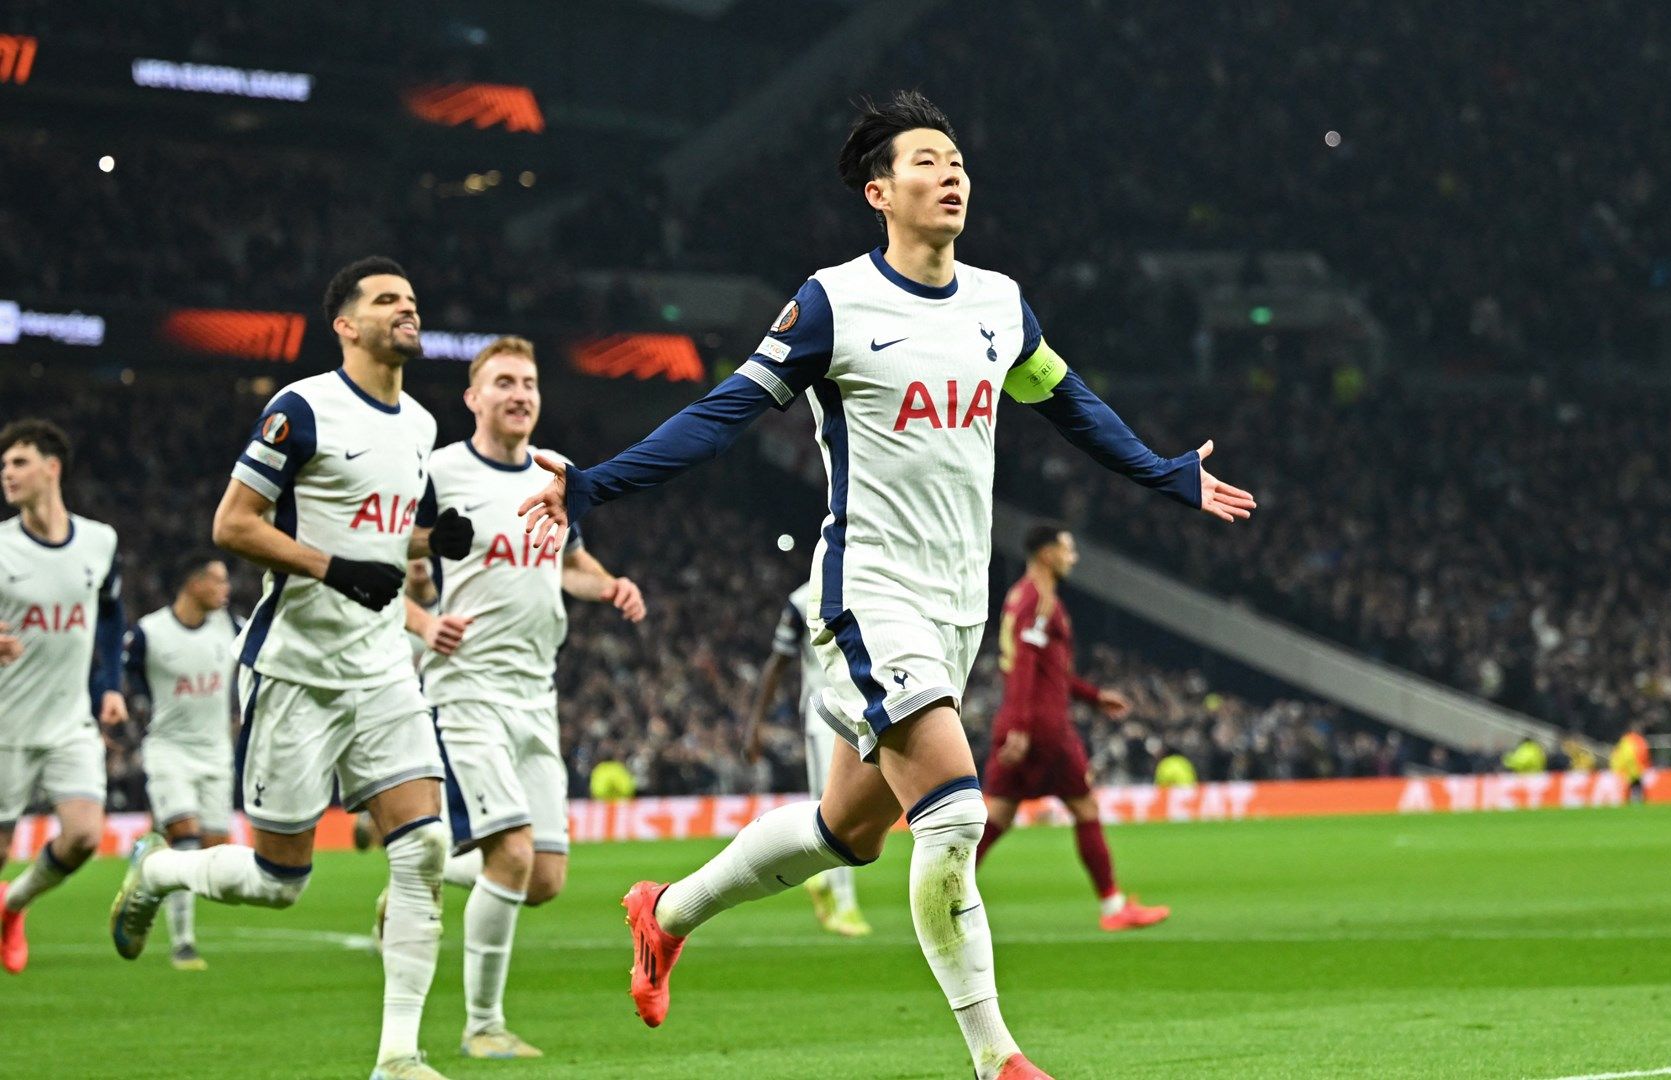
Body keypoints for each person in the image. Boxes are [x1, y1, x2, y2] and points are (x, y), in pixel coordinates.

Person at [516, 91, 1255, 1080]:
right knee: (951, 812)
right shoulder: (834, 303)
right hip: (871, 591)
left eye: (957, 159)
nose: (951, 173)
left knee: (846, 832)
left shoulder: (1000, 304)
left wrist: (1164, 472)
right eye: (926, 161)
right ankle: (997, 1059)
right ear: (880, 191)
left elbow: (1069, 403)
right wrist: (596, 486)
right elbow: (725, 411)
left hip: (956, 606)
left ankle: (666, 912)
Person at [109, 256, 475, 1080]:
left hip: (381, 668)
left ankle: (399, 1057)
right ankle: (162, 869)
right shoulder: (302, 408)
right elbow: (233, 524)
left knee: (421, 852)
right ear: (345, 324)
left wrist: (426, 542)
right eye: (387, 300)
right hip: (296, 670)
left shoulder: (419, 423)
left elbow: (377, 532)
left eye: (413, 299)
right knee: (281, 882)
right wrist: (332, 568)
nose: (406, 309)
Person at [403, 335, 647, 1059]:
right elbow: (383, 555)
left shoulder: (556, 472)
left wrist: (607, 584)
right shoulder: (440, 471)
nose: (519, 393)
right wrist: (420, 619)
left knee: (543, 878)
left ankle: (419, 872)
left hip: (536, 693)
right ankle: (483, 1027)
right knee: (509, 855)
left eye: (529, 382)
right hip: (466, 687)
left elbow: (568, 559)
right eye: (503, 381)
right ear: (473, 397)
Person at [975, 523, 1167, 931]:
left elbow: (1048, 670)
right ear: (1046, 553)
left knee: (1000, 815)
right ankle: (1114, 908)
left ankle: (944, 887)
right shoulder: (1039, 601)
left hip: (1022, 718)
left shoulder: (1021, 597)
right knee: (1085, 807)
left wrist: (1095, 697)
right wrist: (1025, 727)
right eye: (1067, 549)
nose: (1072, 557)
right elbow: (1026, 662)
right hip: (1043, 725)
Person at [0, 418, 126, 975]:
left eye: (19, 462)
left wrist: (111, 687)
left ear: (52, 469)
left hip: (70, 722)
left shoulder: (100, 541)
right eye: (4, 465)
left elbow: (112, 610)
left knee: (82, 837)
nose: (7, 472)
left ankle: (12, 905)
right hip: (6, 725)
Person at [123, 551, 239, 970]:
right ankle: (184, 944)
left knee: (213, 850)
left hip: (215, 753)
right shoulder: (149, 633)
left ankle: (148, 857)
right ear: (194, 583)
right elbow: (130, 677)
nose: (226, 589)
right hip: (169, 749)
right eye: (218, 580)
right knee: (186, 840)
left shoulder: (231, 628)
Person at [741, 582, 872, 937]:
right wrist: (755, 724)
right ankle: (842, 901)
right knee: (837, 807)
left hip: (867, 710)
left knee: (849, 806)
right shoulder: (801, 601)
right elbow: (778, 661)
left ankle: (824, 879)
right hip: (826, 714)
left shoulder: (868, 582)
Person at [1611, 721, 1650, 804]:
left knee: (1634, 785)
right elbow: (1639, 754)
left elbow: (1620, 754)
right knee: (1635, 785)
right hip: (1634, 767)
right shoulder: (1635, 740)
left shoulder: (1627, 740)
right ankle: (1636, 801)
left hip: (1632, 768)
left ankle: (1633, 801)